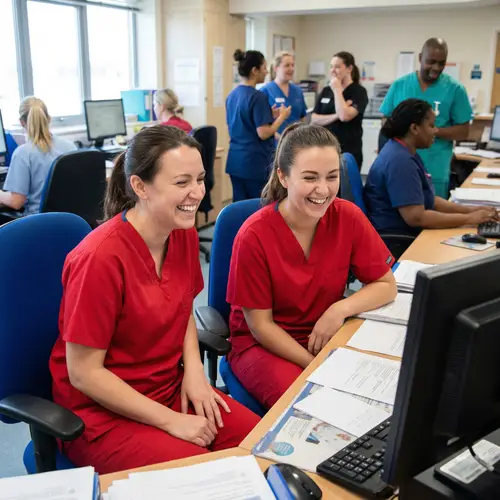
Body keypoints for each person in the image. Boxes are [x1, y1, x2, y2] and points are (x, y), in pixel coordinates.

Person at [49, 125, 260, 474]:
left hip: (168, 387)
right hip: (102, 415)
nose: (197, 193)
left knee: (262, 446)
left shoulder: (182, 233)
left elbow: (183, 311)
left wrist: (194, 373)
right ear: (140, 186)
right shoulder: (99, 259)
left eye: (200, 179)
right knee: (208, 479)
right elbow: (84, 374)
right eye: (182, 183)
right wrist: (170, 421)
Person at [226, 123, 398, 410]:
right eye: (309, 178)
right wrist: (316, 364)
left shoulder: (347, 216)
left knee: (380, 392)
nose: (324, 189)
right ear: (283, 176)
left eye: (332, 177)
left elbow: (385, 285)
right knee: (313, 405)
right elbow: (261, 327)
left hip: (325, 333)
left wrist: (339, 309)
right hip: (264, 345)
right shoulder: (254, 235)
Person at [364, 99, 498, 235]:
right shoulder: (400, 161)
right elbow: (416, 217)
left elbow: (430, 200)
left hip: (406, 234)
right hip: (398, 241)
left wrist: (472, 211)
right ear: (414, 128)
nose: (435, 130)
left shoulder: (404, 150)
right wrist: (469, 219)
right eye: (431, 125)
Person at [380, 38, 472, 198]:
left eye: (441, 63)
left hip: (435, 166)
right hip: (399, 165)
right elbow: (385, 120)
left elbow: (464, 131)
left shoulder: (455, 89)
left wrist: (430, 131)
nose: (436, 68)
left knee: (432, 216)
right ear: (420, 58)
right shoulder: (400, 85)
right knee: (401, 215)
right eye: (431, 61)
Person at [226, 49, 291, 202]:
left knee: (239, 207)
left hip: (236, 161)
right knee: (257, 207)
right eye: (263, 68)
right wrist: (281, 117)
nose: (266, 72)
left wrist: (270, 115)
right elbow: (264, 133)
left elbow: (242, 122)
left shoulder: (232, 95)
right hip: (254, 164)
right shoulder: (258, 96)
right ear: (255, 71)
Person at [0, 97, 76, 222]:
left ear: (22, 122)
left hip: (38, 224)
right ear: (49, 119)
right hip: (70, 221)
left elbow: (16, 202)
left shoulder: (23, 153)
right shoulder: (70, 146)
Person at [311, 51, 368, 169]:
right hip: (325, 149)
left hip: (348, 151)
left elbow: (345, 116)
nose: (332, 70)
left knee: (346, 186)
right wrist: (337, 115)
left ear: (349, 68)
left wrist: (337, 89)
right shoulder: (326, 90)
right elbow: (314, 119)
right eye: (331, 66)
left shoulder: (359, 92)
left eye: (337, 67)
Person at [260, 51, 307, 141]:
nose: (291, 69)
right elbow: (262, 124)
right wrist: (282, 139)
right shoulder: (265, 91)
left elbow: (302, 118)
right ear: (276, 68)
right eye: (287, 65)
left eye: (293, 65)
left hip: (296, 142)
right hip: (274, 144)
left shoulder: (298, 91)